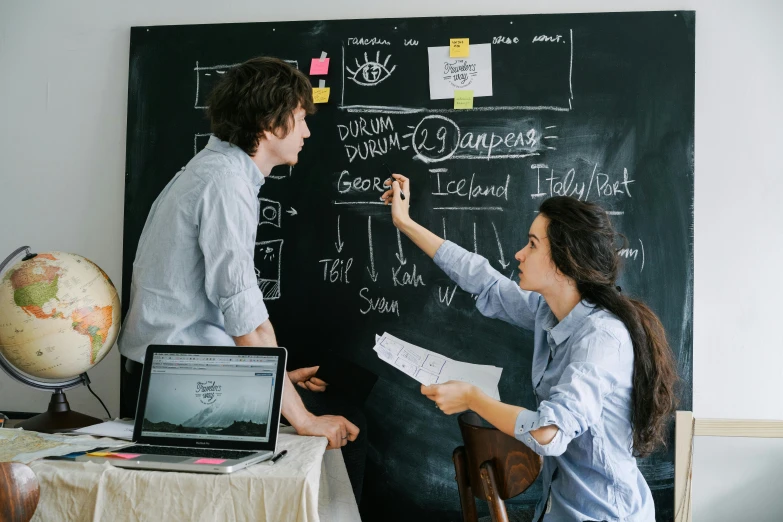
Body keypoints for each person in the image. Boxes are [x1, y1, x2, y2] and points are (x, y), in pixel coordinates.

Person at [118, 57, 367, 499]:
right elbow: (245, 320)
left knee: (331, 412)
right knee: (340, 437)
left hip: (182, 373)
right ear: (272, 124)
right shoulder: (225, 185)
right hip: (181, 385)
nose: (307, 132)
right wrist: (304, 420)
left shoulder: (215, 173)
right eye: (300, 119)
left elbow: (235, 314)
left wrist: (274, 377)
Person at [381, 174, 678, 521]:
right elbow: (485, 281)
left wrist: (473, 399)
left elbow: (549, 434)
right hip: (559, 510)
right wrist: (405, 223)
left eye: (533, 244)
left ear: (565, 262)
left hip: (605, 514)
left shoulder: (601, 339)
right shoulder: (548, 312)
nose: (520, 254)